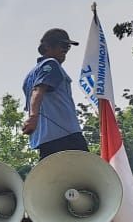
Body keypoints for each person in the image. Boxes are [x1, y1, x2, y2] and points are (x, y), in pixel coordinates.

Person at [21, 27, 89, 157]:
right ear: (47, 46)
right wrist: (33, 117)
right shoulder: (51, 64)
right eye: (62, 45)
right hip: (67, 137)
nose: (65, 50)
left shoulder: (29, 77)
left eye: (68, 47)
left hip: (45, 141)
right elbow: (38, 90)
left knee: (56, 176)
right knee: (85, 174)